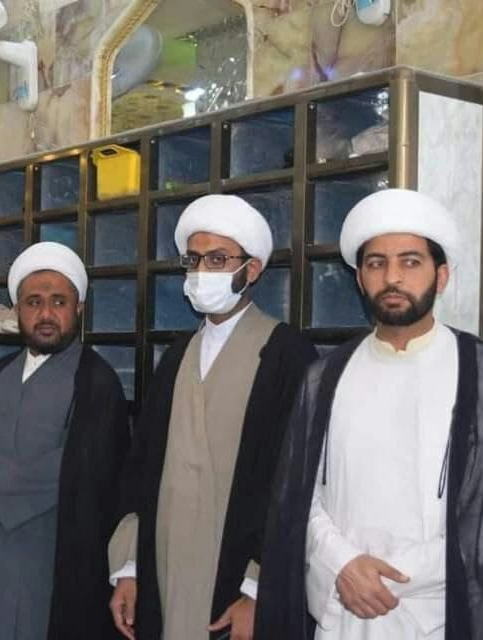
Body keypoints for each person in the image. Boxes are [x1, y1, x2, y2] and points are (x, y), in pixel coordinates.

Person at [255, 188, 483, 640]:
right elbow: (298, 495)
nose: (392, 277)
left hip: (442, 615)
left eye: (410, 262)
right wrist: (343, 563)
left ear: (441, 276)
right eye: (376, 263)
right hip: (343, 608)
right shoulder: (325, 377)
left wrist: (395, 577)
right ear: (360, 279)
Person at [107, 195, 317, 640]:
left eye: (218, 259)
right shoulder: (175, 357)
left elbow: (296, 483)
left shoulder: (287, 355)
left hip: (237, 582)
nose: (203, 271)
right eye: (194, 259)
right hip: (164, 567)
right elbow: (140, 470)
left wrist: (258, 588)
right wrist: (129, 568)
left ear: (251, 270)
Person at [0, 241, 131, 640]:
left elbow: (84, 460)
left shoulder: (97, 381)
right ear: (17, 309)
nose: (45, 314)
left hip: (50, 562)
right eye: (33, 302)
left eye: (59, 302)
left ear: (78, 308)